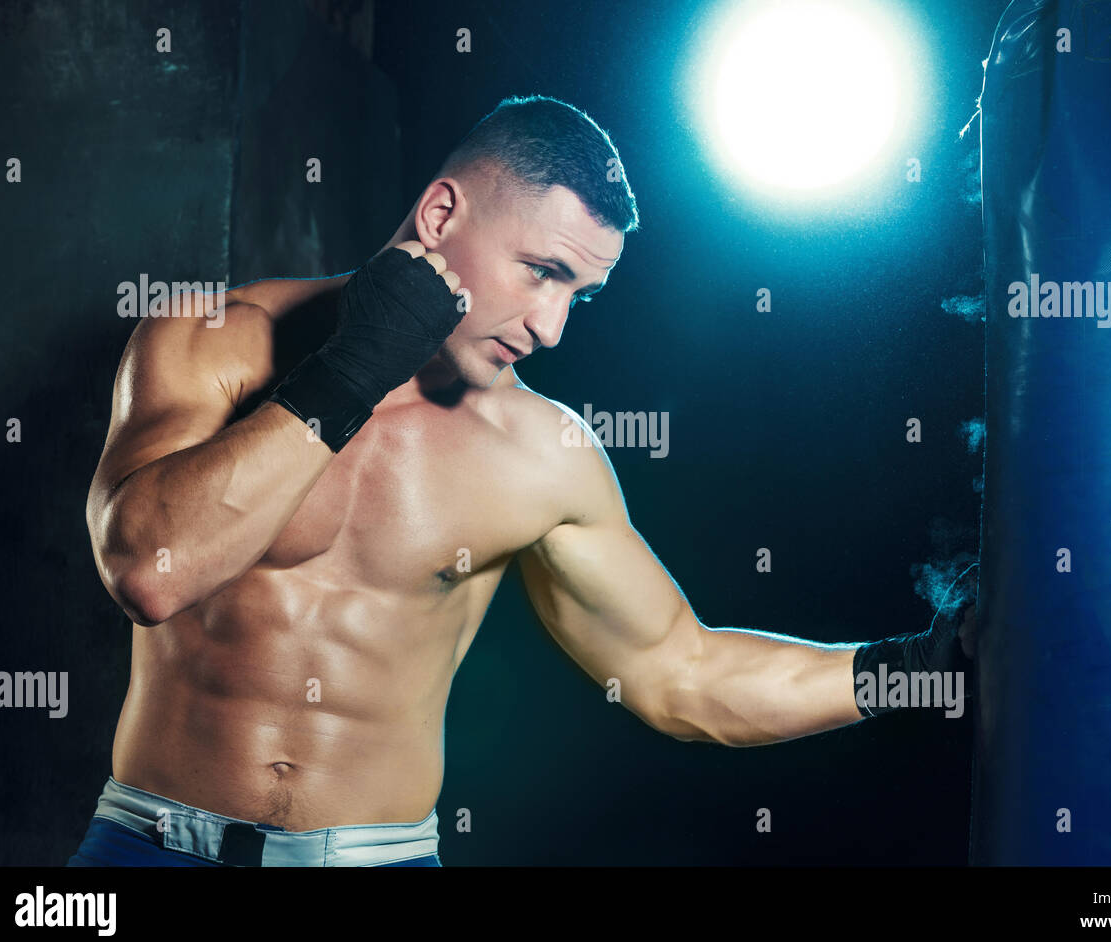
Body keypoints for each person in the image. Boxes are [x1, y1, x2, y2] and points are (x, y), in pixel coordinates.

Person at [70, 94, 976, 867]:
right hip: (148, 844)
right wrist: (355, 372)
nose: (551, 327)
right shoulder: (211, 340)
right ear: (440, 216)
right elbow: (151, 567)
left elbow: (678, 671)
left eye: (578, 295)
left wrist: (914, 670)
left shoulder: (546, 453)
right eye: (541, 273)